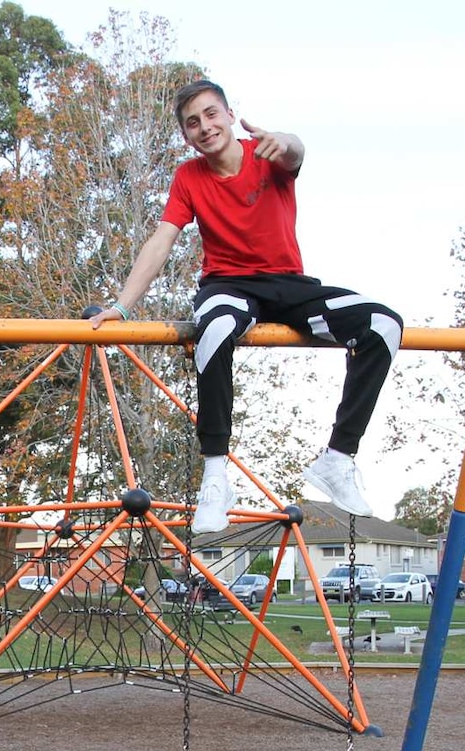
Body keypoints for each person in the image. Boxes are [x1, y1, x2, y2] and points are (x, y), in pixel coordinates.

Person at [91, 78, 403, 533]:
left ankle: (338, 457)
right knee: (215, 327)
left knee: (383, 324)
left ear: (230, 115)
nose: (205, 127)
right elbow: (162, 239)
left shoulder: (267, 155)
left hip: (289, 285)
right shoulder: (189, 177)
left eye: (211, 114)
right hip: (228, 285)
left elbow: (295, 152)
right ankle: (215, 474)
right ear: (186, 136)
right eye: (193, 123)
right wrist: (121, 305)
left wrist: (287, 141)